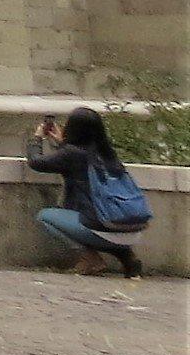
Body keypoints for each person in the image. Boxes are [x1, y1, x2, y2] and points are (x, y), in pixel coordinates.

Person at [27, 107, 150, 280]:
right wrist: (63, 143)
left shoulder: (72, 154)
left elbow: (36, 162)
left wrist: (37, 138)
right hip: (132, 229)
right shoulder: (107, 152)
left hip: (104, 228)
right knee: (99, 221)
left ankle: (91, 259)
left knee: (45, 216)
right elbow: (80, 162)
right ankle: (127, 257)